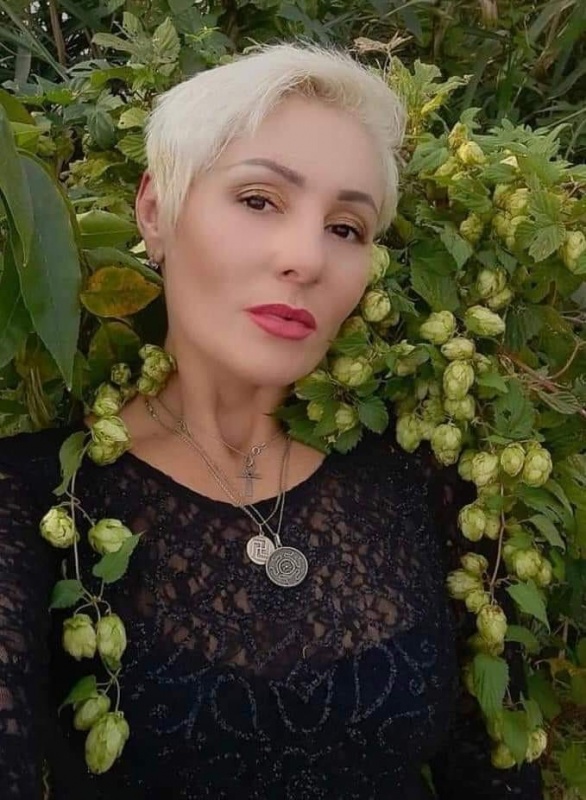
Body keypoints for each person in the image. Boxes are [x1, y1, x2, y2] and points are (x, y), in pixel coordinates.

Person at [0, 42, 543, 799]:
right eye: (259, 200)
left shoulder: (420, 478)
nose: (306, 258)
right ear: (156, 212)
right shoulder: (33, 501)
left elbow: (497, 766)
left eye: (346, 228)